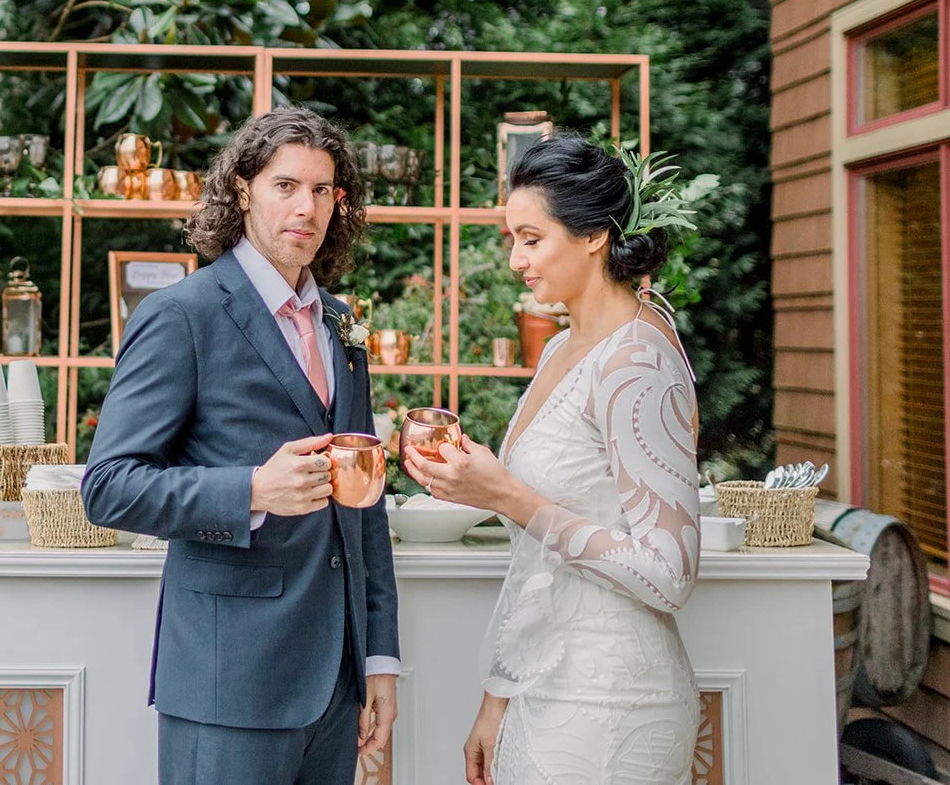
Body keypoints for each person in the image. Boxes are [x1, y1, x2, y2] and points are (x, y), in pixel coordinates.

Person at [81, 107, 400, 785]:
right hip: (228, 683)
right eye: (286, 185)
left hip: (338, 686)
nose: (306, 206)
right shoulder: (181, 315)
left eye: (322, 189)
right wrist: (252, 490)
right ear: (243, 190)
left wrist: (378, 659)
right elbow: (108, 486)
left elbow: (364, 500)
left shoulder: (341, 322)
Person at [406, 135, 701, 785]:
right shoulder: (558, 349)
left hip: (614, 705)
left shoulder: (637, 360)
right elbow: (537, 562)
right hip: (543, 691)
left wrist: (506, 495)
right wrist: (498, 696)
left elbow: (670, 573)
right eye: (514, 239)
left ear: (594, 234)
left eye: (532, 239)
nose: (516, 259)